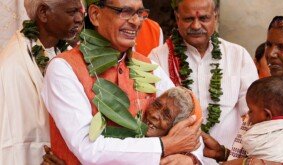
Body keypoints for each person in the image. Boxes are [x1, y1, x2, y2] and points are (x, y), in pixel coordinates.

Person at [41, 0, 202, 164]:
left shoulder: (150, 68)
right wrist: (163, 146)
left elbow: (192, 126)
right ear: (96, 15)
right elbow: (89, 149)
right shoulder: (63, 69)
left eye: (140, 13)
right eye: (125, 11)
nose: (135, 21)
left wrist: (190, 158)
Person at [202, 13, 283, 165]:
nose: (270, 54)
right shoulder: (271, 90)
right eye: (269, 44)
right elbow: (273, 152)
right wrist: (223, 153)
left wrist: (257, 163)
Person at [149, 0, 258, 163]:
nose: (195, 25)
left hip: (227, 160)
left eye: (204, 18)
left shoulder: (238, 55)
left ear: (216, 17)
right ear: (177, 17)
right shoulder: (158, 57)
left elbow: (252, 115)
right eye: (188, 19)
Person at [0, 0, 83, 164]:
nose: (80, 18)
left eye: (81, 11)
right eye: (72, 12)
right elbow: (14, 143)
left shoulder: (65, 50)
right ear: (43, 13)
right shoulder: (13, 66)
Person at [42, 86, 204, 164]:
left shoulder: (173, 162)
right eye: (156, 105)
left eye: (167, 115)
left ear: (178, 127)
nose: (154, 114)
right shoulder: (133, 141)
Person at [237, 77, 283, 163]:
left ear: (267, 114)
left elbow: (248, 143)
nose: (248, 114)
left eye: (251, 110)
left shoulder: (253, 136)